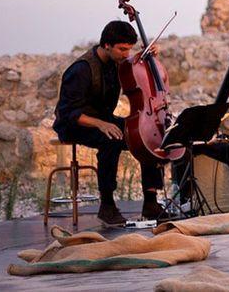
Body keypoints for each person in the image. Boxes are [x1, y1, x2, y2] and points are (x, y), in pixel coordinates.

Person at [53, 20, 164, 225]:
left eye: (129, 49)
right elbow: (68, 113)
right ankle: (107, 206)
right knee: (110, 140)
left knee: (147, 136)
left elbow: (136, 69)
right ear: (106, 45)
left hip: (103, 119)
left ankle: (151, 202)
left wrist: (147, 59)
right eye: (122, 49)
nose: (126, 54)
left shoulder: (118, 63)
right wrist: (100, 124)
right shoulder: (81, 69)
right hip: (74, 124)